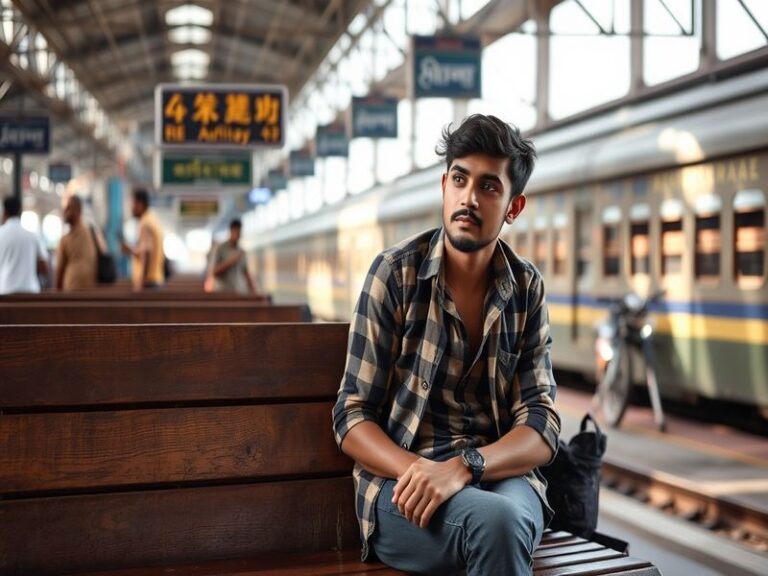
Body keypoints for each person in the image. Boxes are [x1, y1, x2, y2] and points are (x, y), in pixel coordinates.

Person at [332, 114, 561, 575]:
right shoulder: (395, 275)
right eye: (460, 179)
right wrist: (421, 471)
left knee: (506, 517)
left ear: (513, 207)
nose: (469, 198)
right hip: (403, 489)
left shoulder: (525, 287)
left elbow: (541, 422)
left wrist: (465, 466)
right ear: (444, 185)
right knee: (497, 526)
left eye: (489, 187)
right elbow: (351, 416)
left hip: (497, 478)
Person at [0, 196, 48, 294]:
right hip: (30, 291)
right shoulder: (32, 235)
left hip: (5, 291)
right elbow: (44, 268)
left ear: (4, 213)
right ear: (19, 212)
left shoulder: (1, 234)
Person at [120, 188, 165, 291]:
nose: (131, 208)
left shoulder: (145, 223)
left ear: (140, 204)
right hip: (155, 280)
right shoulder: (153, 219)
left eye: (132, 203)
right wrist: (131, 249)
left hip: (148, 283)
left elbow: (146, 252)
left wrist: (141, 282)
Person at [55, 195, 98, 291]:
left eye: (68, 208)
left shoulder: (67, 239)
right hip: (87, 289)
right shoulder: (90, 232)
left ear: (78, 211)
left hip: (73, 289)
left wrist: (56, 295)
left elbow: (59, 271)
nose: (65, 212)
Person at [207, 218, 258, 294]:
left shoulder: (242, 252)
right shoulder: (219, 249)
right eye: (236, 232)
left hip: (239, 291)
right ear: (231, 231)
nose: (238, 235)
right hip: (222, 292)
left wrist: (254, 291)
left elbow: (246, 273)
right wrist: (230, 262)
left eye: (239, 232)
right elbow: (213, 272)